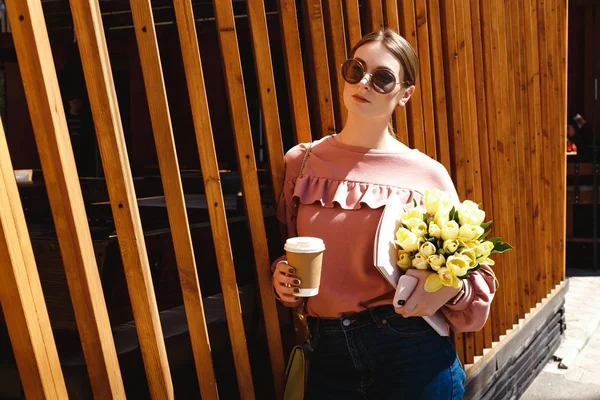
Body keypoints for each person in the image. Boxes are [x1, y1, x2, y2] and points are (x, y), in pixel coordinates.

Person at [271, 29, 496, 399]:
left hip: (411, 351)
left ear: (405, 93)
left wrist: (450, 289)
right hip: (329, 353)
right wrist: (283, 276)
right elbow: (291, 246)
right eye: (356, 69)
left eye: (382, 77)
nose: (364, 83)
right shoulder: (302, 161)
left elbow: (474, 272)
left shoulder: (427, 174)